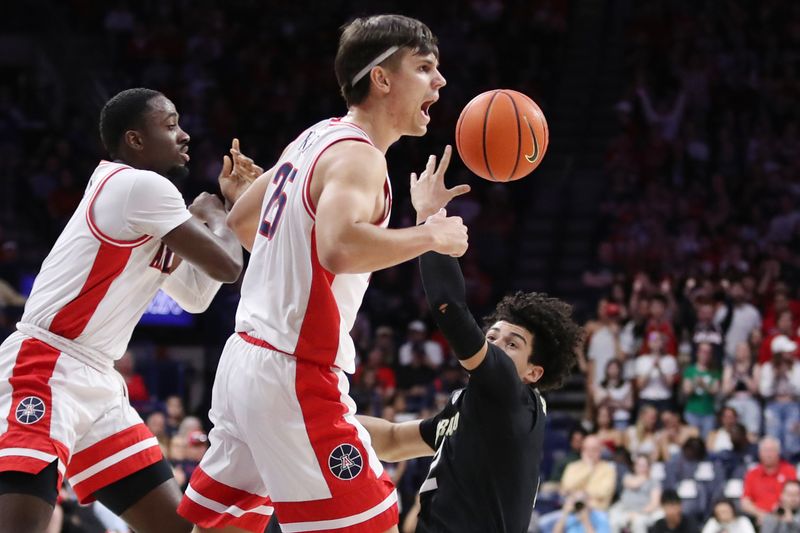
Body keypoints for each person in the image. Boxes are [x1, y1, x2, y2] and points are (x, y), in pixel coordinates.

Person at [178, 14, 470, 533]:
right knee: (374, 520)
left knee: (221, 526)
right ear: (381, 78)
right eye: (424, 68)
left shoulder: (313, 137)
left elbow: (244, 220)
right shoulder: (360, 158)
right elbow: (338, 249)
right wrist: (432, 234)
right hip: (295, 367)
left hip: (245, 359)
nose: (439, 81)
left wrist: (290, 230)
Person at [0, 87, 255, 533]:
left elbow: (196, 295)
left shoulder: (152, 206)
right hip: (47, 364)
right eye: (171, 124)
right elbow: (229, 265)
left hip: (98, 379)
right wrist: (219, 214)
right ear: (135, 140)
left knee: (173, 528)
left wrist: (227, 214)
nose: (185, 135)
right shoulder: (137, 186)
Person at [355, 232, 582, 532]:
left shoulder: (512, 398)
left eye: (512, 344)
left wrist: (431, 223)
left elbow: (449, 308)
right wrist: (327, 419)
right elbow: (393, 440)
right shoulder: (473, 408)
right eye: (492, 338)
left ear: (533, 373)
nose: (497, 346)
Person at [741, 436, 798, 522]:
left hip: (784, 515)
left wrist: (781, 511)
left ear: (778, 452)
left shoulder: (789, 470)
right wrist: (760, 514)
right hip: (758, 517)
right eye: (765, 451)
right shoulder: (752, 473)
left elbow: (795, 495)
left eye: (772, 450)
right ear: (759, 453)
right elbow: (745, 502)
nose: (768, 454)